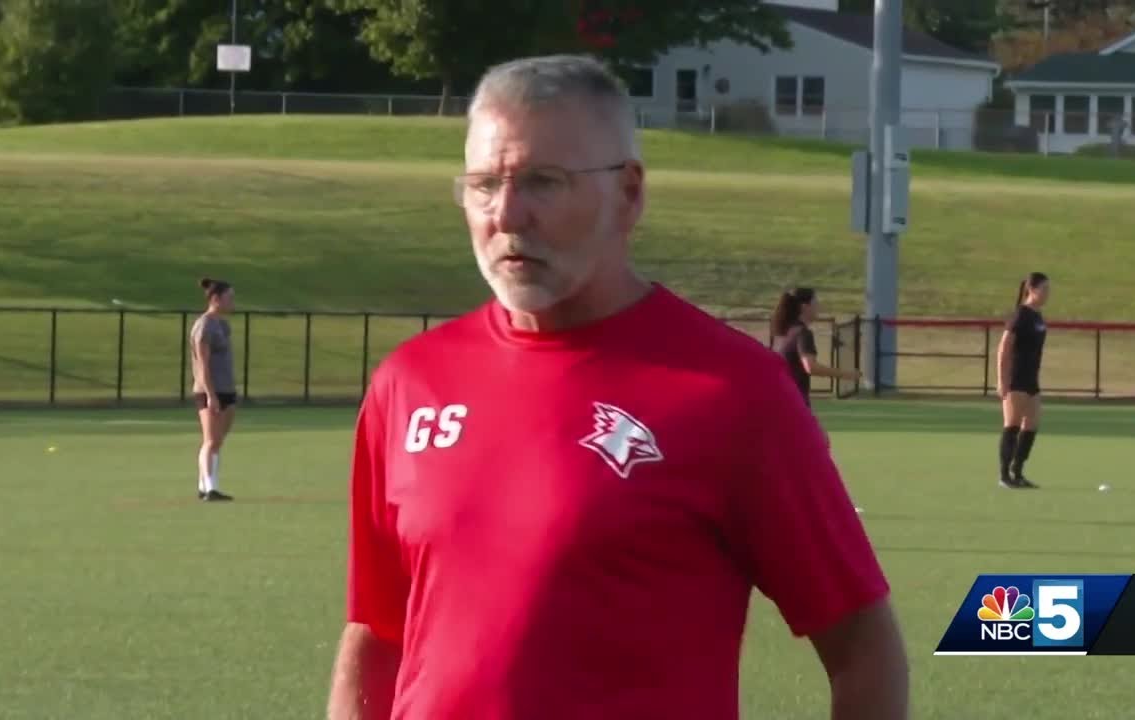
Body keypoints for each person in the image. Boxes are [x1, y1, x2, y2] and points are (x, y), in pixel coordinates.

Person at [327, 54, 907, 720]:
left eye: (542, 182)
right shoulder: (410, 382)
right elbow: (377, 634)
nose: (507, 214)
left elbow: (863, 646)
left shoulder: (734, 392)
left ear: (628, 193)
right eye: (484, 184)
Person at [996, 272, 1050, 489]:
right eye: (1044, 289)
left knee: (1032, 424)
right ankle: (1004, 475)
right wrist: (1002, 380)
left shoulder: (1038, 316)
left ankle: (1017, 472)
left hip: (1031, 379)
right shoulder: (1021, 315)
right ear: (1031, 289)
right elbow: (1004, 347)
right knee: (1013, 425)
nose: (1047, 294)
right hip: (1016, 378)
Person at [769, 287, 862, 409]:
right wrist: (846, 374)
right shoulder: (802, 333)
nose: (819, 307)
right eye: (815, 303)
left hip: (779, 399)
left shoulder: (781, 333)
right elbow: (810, 367)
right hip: (793, 403)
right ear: (804, 307)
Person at [190, 277, 236, 502]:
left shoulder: (223, 325)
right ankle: (210, 487)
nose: (232, 302)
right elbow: (202, 363)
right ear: (216, 299)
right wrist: (210, 395)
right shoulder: (204, 325)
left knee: (218, 440)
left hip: (226, 389)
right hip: (209, 390)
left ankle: (204, 485)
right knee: (210, 439)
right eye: (229, 297)